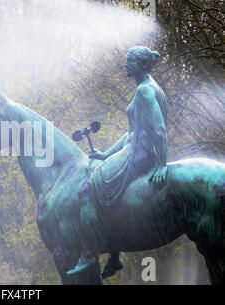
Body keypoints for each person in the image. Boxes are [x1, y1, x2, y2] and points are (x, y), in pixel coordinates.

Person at [68, 46, 168, 277]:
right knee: (106, 192)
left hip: (140, 155)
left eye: (129, 61)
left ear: (141, 64)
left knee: (86, 192)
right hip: (134, 150)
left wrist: (162, 164)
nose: (125, 65)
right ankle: (114, 257)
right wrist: (105, 155)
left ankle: (90, 254)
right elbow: (131, 134)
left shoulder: (145, 91)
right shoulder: (147, 88)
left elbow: (159, 129)